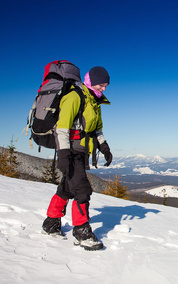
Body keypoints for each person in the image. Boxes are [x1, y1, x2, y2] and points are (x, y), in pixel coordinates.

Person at [42, 66, 113, 251]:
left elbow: (96, 129)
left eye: (106, 85)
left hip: (82, 152)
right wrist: (64, 155)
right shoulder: (75, 96)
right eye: (100, 84)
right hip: (71, 151)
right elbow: (62, 128)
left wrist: (104, 147)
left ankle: (51, 223)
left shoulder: (94, 103)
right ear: (90, 82)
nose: (103, 89)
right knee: (82, 190)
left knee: (66, 188)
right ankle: (81, 231)